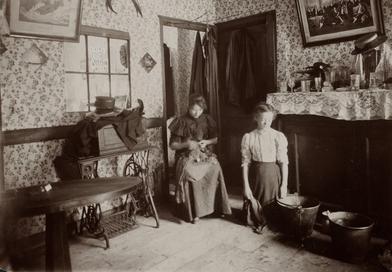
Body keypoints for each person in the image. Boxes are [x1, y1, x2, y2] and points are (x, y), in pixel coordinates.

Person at [169, 94, 232, 223]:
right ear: (188, 107)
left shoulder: (208, 119)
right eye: (193, 109)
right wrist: (187, 144)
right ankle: (194, 212)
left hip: (203, 154)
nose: (197, 112)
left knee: (215, 168)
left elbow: (215, 139)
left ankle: (216, 208)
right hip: (185, 156)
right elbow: (172, 145)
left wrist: (207, 142)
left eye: (200, 110)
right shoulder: (181, 121)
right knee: (191, 173)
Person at [241, 103, 288, 233]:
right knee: (254, 213)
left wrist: (284, 185)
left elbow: (284, 162)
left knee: (274, 215)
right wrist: (246, 186)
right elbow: (245, 163)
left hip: (273, 176)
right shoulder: (249, 137)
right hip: (255, 177)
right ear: (256, 118)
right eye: (263, 119)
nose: (266, 122)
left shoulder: (278, 136)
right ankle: (257, 216)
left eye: (269, 119)